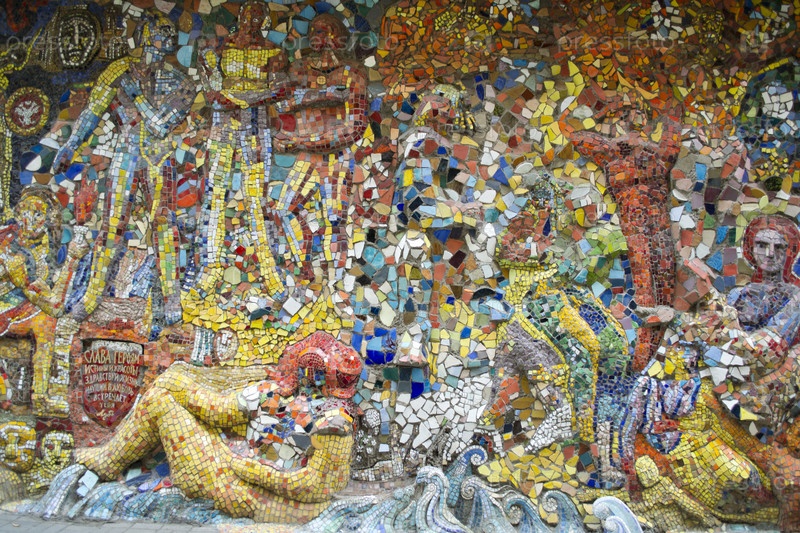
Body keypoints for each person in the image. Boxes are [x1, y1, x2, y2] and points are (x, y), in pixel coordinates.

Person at [74, 331, 362, 522]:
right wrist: (181, 383)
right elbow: (218, 412)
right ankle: (110, 461)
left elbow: (315, 487)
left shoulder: (333, 423)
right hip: (222, 463)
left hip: (233, 485)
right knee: (165, 390)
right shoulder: (278, 396)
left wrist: (245, 468)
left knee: (160, 400)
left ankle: (109, 461)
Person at [52, 12, 195, 325]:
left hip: (159, 158)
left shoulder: (182, 82)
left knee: (164, 225)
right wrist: (71, 145)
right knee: (111, 227)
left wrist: (136, 96)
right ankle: (91, 296)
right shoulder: (119, 70)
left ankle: (171, 298)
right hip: (126, 154)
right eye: (160, 30)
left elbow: (159, 127)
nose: (166, 37)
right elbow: (93, 109)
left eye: (170, 33)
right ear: (145, 33)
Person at [185, 0, 291, 361]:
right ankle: (211, 267)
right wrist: (229, 95)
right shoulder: (221, 48)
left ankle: (269, 271)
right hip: (223, 126)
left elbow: (281, 88)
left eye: (258, 15)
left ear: (263, 20)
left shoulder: (272, 52)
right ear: (240, 16)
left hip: (255, 126)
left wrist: (246, 97)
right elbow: (211, 89)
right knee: (215, 193)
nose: (251, 20)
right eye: (247, 14)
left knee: (255, 196)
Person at [272, 12, 368, 283]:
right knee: (285, 209)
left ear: (339, 37)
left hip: (336, 156)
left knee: (335, 219)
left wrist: (303, 140)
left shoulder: (352, 73)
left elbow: (355, 127)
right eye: (314, 30)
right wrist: (321, 97)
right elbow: (282, 106)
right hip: (306, 155)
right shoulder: (299, 70)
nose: (318, 36)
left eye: (326, 31)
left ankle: (336, 280)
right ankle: (304, 264)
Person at [0, 188, 88, 415]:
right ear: (17, 214)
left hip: (17, 306)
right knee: (46, 321)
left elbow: (51, 295)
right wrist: (72, 261)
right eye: (26, 212)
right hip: (5, 309)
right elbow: (52, 306)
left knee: (48, 319)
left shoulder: (42, 247)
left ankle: (40, 395)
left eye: (38, 214)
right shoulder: (10, 247)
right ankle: (40, 395)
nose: (31, 220)